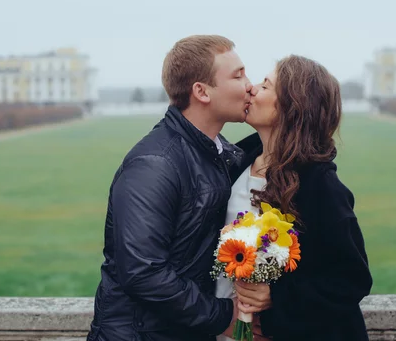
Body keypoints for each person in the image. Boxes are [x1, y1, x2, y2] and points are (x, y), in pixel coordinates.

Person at [87, 35, 271, 341]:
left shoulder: (224, 154)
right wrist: (224, 315)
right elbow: (143, 272)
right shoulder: (154, 164)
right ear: (201, 91)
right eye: (238, 75)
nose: (249, 85)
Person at [225, 55, 373, 340]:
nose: (252, 89)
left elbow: (352, 279)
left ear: (292, 108)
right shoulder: (233, 164)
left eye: (266, 86)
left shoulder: (321, 186)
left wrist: (276, 296)